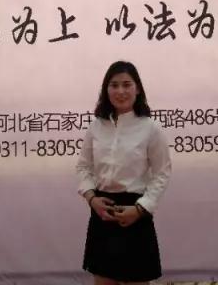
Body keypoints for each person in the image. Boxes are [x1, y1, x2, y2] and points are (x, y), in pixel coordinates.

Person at [76, 61, 172, 285]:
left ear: (137, 89)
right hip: (102, 212)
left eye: (127, 84)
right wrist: (92, 199)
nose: (120, 91)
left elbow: (162, 173)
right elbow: (83, 167)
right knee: (102, 280)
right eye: (114, 85)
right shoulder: (96, 127)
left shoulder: (151, 128)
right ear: (106, 90)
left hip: (135, 213)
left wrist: (140, 209)